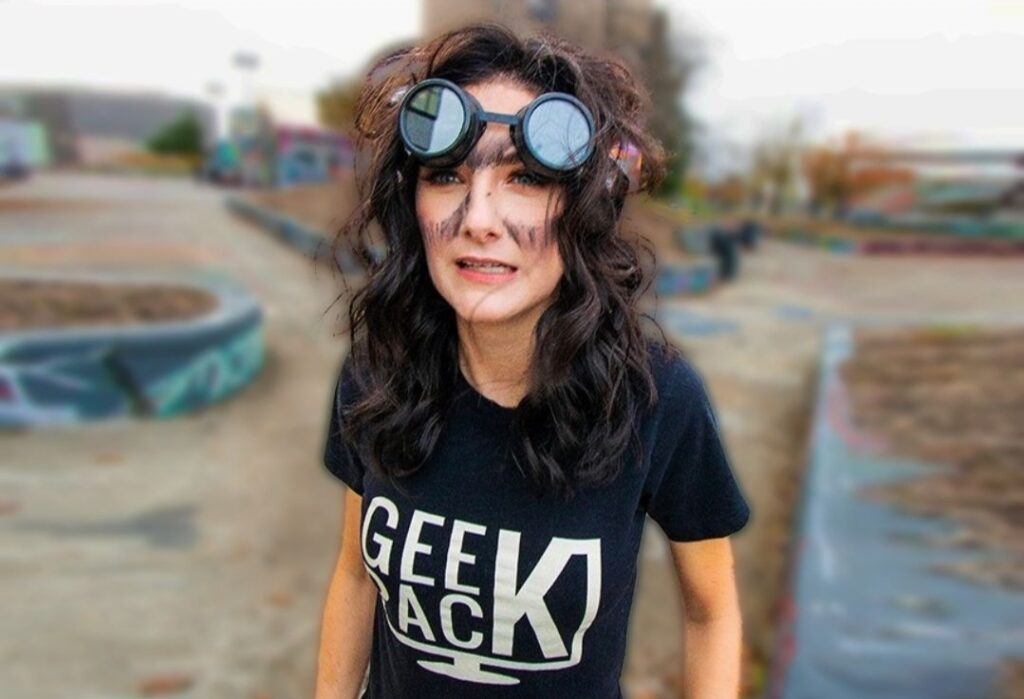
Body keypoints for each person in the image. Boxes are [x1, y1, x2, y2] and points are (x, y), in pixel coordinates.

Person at [315, 23, 751, 699]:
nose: (478, 218)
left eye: (524, 177)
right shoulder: (380, 372)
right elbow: (354, 575)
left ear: (583, 208)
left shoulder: (656, 398)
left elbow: (712, 612)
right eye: (446, 175)